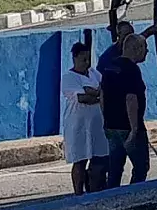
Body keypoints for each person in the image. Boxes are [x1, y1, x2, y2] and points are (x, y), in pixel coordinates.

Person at [100, 34, 151, 186]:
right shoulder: (131, 69)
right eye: (145, 48)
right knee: (141, 167)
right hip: (128, 127)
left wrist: (106, 120)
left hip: (112, 126)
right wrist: (135, 129)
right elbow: (131, 99)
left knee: (115, 169)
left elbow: (102, 96)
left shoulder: (109, 67)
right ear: (136, 49)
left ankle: (111, 198)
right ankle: (133, 198)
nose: (147, 52)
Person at [59, 42, 107, 195]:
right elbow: (83, 98)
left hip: (96, 125)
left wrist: (95, 92)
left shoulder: (93, 73)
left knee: (99, 158)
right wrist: (98, 94)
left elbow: (104, 88)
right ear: (74, 58)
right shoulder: (68, 78)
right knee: (80, 161)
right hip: (78, 125)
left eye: (88, 59)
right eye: (83, 60)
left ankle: (95, 189)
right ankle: (78, 193)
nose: (86, 63)